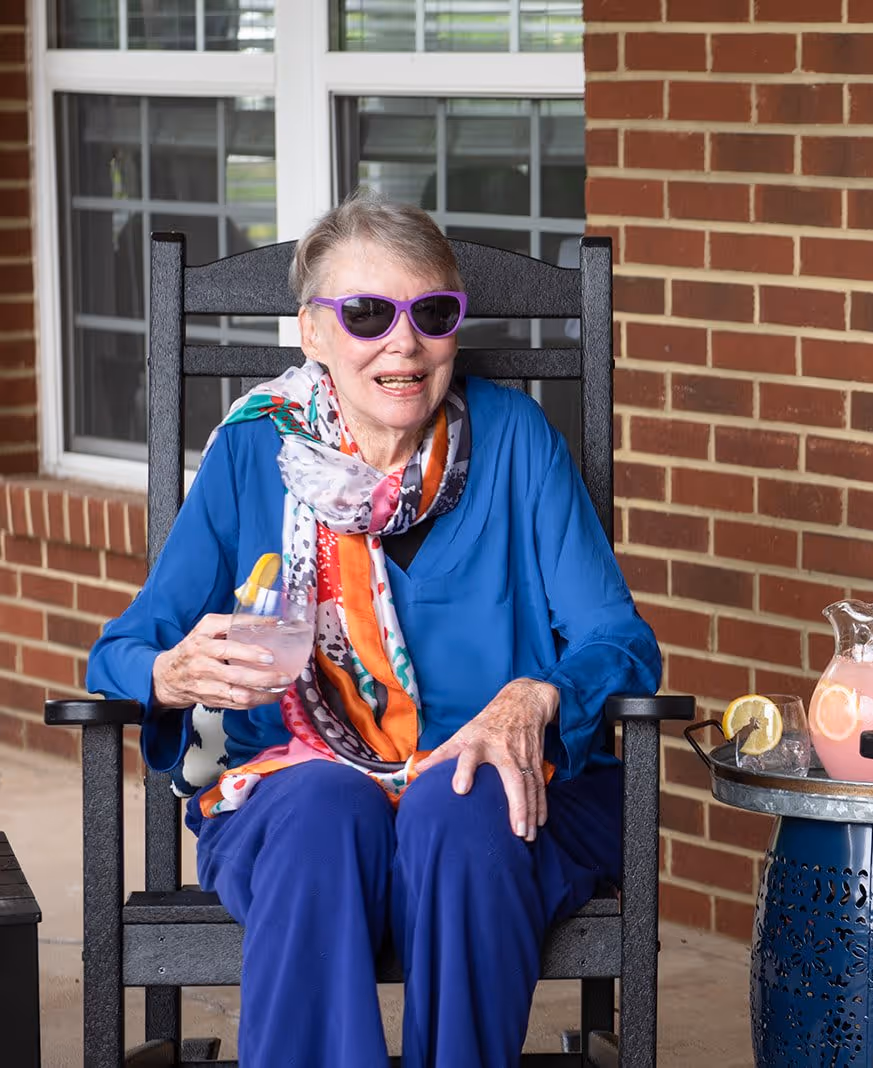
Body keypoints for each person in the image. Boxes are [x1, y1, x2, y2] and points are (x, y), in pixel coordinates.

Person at [86, 188, 661, 1068]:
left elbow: (619, 643)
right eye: (365, 314)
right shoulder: (253, 453)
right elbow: (121, 650)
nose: (404, 343)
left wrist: (540, 692)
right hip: (298, 786)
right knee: (322, 809)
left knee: (461, 798)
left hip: (504, 794)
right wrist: (169, 674)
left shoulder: (515, 441)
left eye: (432, 313)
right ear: (311, 332)